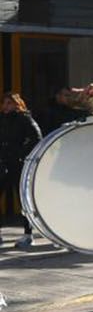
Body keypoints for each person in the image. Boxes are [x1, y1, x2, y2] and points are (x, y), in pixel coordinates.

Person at [0, 92, 41, 248]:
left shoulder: (24, 119)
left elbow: (37, 138)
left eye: (9, 103)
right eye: (4, 103)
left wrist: (21, 154)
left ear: (17, 104)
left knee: (23, 199)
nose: (6, 106)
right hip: (3, 164)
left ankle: (28, 234)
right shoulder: (2, 119)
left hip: (18, 164)